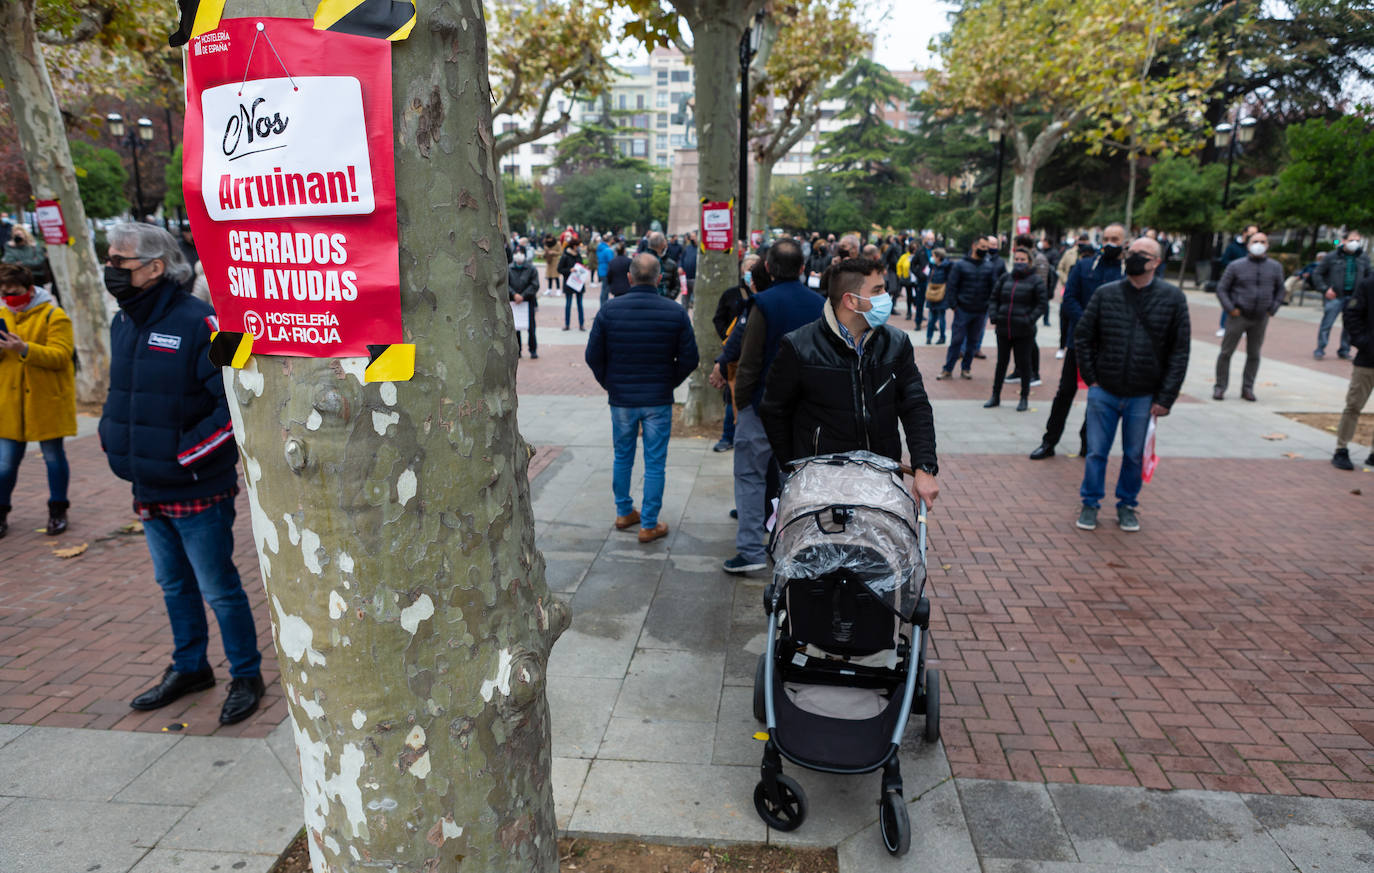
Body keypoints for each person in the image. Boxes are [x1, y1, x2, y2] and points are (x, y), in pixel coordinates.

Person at [99, 223, 264, 725]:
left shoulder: (203, 323)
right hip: (148, 488)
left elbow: (235, 407)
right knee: (173, 586)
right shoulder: (122, 323)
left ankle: (246, 674)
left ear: (154, 267)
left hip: (197, 489)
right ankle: (190, 667)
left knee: (219, 588)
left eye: (119, 263)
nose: (111, 271)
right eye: (108, 260)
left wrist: (183, 456)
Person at [759, 257, 939, 509]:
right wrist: (794, 465)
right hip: (821, 487)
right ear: (851, 300)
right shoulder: (799, 346)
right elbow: (774, 410)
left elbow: (915, 405)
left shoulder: (896, 344)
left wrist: (925, 467)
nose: (886, 297)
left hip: (881, 481)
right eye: (877, 291)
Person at [1074, 237, 1190, 533]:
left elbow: (1180, 352)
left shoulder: (1173, 299)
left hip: (1144, 393)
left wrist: (1166, 397)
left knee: (1134, 454)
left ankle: (1127, 504)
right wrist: (1093, 380)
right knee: (1097, 451)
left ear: (1156, 262)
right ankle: (1090, 503)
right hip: (1105, 390)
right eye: (1131, 252)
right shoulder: (1106, 293)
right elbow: (1084, 336)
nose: (1133, 257)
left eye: (1142, 254)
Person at [722, 239, 822, 574]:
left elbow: (749, 360)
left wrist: (742, 403)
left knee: (750, 477)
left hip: (762, 405)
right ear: (803, 268)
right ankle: (791, 547)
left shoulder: (762, 304)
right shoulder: (820, 304)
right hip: (804, 408)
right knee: (793, 480)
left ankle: (751, 549)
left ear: (767, 268)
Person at [584, 253, 699, 544]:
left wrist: (610, 383)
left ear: (630, 278)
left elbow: (593, 356)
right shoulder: (674, 312)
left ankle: (624, 511)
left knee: (623, 455)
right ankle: (648, 522)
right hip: (657, 398)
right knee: (655, 462)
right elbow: (690, 358)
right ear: (659, 278)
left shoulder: (610, 310)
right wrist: (668, 382)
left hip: (622, 398)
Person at [1028, 224, 1126, 460]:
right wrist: (1088, 323)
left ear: (1124, 242)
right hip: (1079, 341)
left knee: (1099, 395)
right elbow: (1069, 298)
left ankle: (1087, 441)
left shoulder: (1124, 273)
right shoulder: (1083, 266)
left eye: (1116, 239)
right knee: (1065, 392)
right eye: (1107, 238)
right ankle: (1049, 441)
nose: (1111, 242)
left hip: (1109, 346)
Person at [0, 262, 76, 538]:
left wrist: (24, 349)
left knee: (53, 458)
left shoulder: (53, 316)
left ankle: (58, 510)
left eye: (15, 291)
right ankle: (1, 511)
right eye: (4, 292)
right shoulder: (1, 314)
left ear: (30, 289)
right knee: (4, 464)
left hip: (46, 401)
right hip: (10, 404)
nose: (10, 298)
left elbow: (61, 356)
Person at [1214, 231, 1285, 401]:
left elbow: (1281, 289)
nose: (1259, 244)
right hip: (1238, 315)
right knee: (1226, 352)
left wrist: (1272, 308)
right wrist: (1230, 308)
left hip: (1261, 317)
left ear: (1267, 245)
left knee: (1254, 354)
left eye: (1262, 241)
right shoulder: (1236, 266)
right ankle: (1220, 387)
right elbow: (1222, 288)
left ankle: (1248, 388)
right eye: (1255, 241)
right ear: (1248, 245)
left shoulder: (1275, 267)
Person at [985, 247, 1049, 411]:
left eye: (1023, 260)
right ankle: (995, 395)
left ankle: (1024, 398)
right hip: (1003, 329)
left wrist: (1029, 319)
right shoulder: (1005, 278)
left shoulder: (1035, 281)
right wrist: (994, 316)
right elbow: (994, 298)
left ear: (1029, 262)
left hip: (1024, 331)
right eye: (1017, 259)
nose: (1019, 262)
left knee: (1024, 363)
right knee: (1001, 364)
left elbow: (1042, 304)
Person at [710, 254, 761, 453]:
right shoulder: (731, 294)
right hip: (734, 355)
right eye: (748, 268)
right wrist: (728, 338)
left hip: (754, 354)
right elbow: (719, 318)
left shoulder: (765, 295)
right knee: (731, 396)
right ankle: (727, 436)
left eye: (755, 268)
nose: (750, 272)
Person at [937, 237, 998, 380]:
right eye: (982, 246)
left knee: (973, 342)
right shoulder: (960, 265)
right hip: (962, 310)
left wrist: (988, 305)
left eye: (986, 247)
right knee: (956, 341)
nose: (984, 250)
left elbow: (993, 288)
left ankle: (966, 368)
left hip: (980, 311)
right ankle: (948, 369)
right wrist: (954, 306)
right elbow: (952, 286)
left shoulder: (989, 266)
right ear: (974, 245)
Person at [1331, 272, 1374, 470]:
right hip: (1368, 359)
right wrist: (1363, 342)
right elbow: (1351, 314)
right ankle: (1341, 448)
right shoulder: (1368, 284)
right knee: (1354, 405)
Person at [1313, 230, 1368, 360]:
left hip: (1354, 298)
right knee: (1327, 324)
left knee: (1350, 325)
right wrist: (1325, 289)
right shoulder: (1332, 256)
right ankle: (1320, 348)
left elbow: (1369, 275)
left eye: (1357, 241)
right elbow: (1317, 274)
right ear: (1343, 241)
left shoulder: (1363, 257)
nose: (1355, 243)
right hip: (1335, 297)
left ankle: (1344, 349)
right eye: (1351, 240)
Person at [1215, 224, 1258, 336]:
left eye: (1255, 233)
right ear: (1244, 233)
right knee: (1229, 303)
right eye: (1251, 233)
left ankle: (1242, 327)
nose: (1253, 235)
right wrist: (1238, 268)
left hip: (1249, 281)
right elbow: (1224, 261)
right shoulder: (1233, 246)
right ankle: (1223, 326)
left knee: (1245, 305)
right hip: (1234, 280)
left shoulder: (1253, 248)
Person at [508, 248, 540, 359]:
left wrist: (523, 295)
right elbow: (505, 284)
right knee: (515, 328)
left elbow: (535, 285)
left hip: (528, 301)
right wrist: (514, 294)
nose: (518, 255)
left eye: (520, 252)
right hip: (514, 302)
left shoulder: (531, 269)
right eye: (516, 252)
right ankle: (518, 350)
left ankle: (533, 350)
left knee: (531, 328)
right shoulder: (509, 268)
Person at [558, 240, 586, 331]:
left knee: (580, 304)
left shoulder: (578, 255)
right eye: (578, 245)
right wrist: (569, 270)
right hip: (569, 283)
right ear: (574, 246)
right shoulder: (565, 255)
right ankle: (567, 324)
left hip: (578, 283)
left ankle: (581, 324)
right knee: (568, 304)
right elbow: (559, 269)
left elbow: (581, 265)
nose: (579, 247)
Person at [925, 247, 950, 344]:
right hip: (932, 296)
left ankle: (942, 337)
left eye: (933, 256)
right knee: (931, 318)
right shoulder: (932, 267)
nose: (932, 257)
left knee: (941, 318)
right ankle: (929, 337)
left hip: (941, 296)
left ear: (939, 257)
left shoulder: (946, 267)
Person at [596, 233, 615, 306]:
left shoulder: (600, 248)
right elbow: (611, 261)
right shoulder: (608, 250)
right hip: (607, 271)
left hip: (601, 270)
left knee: (604, 290)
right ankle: (604, 306)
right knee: (605, 291)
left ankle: (602, 305)